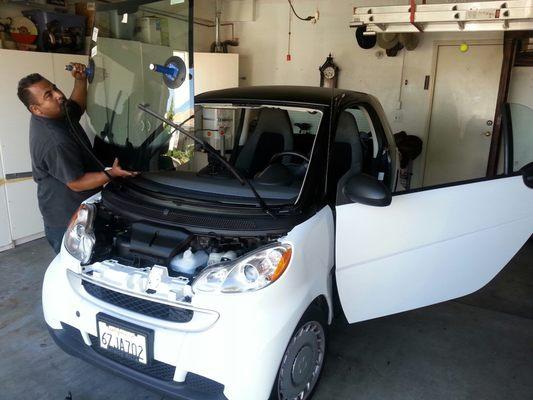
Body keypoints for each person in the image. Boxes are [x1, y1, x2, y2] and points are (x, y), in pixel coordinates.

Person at [17, 63, 137, 254]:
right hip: (67, 220)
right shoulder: (53, 141)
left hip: (83, 207)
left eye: (54, 87)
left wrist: (80, 80)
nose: (58, 95)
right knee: (78, 265)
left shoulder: (57, 112)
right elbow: (77, 183)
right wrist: (111, 174)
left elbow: (77, 106)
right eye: (48, 95)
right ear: (36, 110)